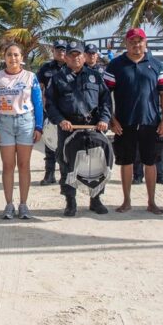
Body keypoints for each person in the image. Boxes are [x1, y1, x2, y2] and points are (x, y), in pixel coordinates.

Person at [104, 28, 163, 215]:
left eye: (140, 41)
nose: (136, 44)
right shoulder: (115, 65)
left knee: (151, 162)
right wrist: (111, 119)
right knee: (126, 162)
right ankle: (126, 201)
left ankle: (152, 202)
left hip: (151, 122)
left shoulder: (156, 65)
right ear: (127, 43)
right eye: (132, 41)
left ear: (145, 42)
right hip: (125, 123)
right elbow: (105, 95)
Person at [46, 40, 112, 216]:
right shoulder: (57, 78)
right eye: (71, 55)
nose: (75, 58)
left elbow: (105, 100)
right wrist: (60, 120)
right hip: (69, 128)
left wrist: (105, 119)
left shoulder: (96, 76)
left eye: (79, 55)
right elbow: (50, 104)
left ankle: (96, 199)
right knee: (67, 165)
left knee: (97, 164)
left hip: (93, 127)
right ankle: (70, 201)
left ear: (84, 57)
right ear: (66, 57)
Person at [0, 42, 44, 219]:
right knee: (8, 166)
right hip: (4, 122)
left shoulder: (30, 77)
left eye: (16, 55)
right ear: (4, 57)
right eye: (9, 55)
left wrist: (39, 126)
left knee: (24, 165)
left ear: (22, 58)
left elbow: (38, 103)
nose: (13, 58)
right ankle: (9, 204)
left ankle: (24, 205)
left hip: (26, 122)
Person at [35, 40, 67, 186]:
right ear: (53, 51)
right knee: (50, 142)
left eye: (63, 50)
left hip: (67, 111)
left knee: (65, 144)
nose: (61, 52)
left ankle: (65, 175)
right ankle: (49, 174)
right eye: (58, 49)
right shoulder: (46, 68)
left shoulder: (72, 67)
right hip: (49, 109)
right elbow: (38, 87)